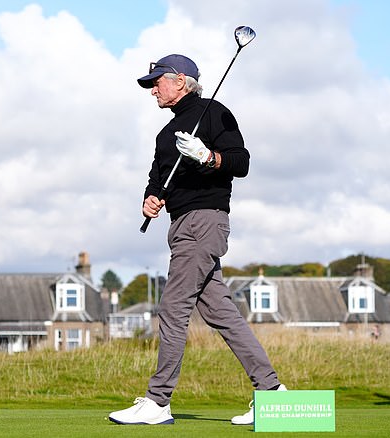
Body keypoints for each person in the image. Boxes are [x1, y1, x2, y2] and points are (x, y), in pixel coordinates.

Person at [108, 54, 286, 426]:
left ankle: (158, 402)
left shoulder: (214, 113)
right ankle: (272, 394)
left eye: (156, 81)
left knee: (173, 309)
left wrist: (208, 156)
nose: (152, 89)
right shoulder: (164, 134)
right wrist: (151, 198)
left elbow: (241, 162)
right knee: (222, 315)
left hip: (205, 222)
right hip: (180, 225)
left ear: (180, 80)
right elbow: (158, 177)